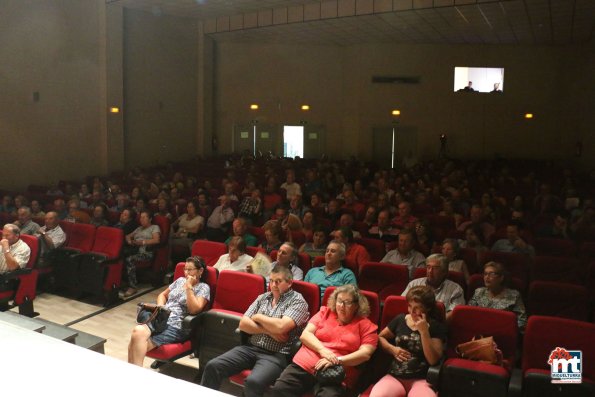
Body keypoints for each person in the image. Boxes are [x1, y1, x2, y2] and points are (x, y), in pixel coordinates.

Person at [201, 265, 309, 397]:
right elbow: (243, 324)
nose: (273, 285)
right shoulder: (263, 297)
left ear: (290, 282)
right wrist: (270, 331)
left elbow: (281, 327)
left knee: (254, 382)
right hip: (250, 348)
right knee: (213, 366)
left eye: (278, 281)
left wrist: (258, 317)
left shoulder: (298, 301)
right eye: (271, 280)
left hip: (276, 354)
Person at [270, 284, 378, 397]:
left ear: (356, 305)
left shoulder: (367, 326)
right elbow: (305, 334)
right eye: (339, 300)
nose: (341, 306)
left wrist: (337, 360)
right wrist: (322, 350)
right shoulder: (324, 312)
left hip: (335, 375)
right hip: (305, 365)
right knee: (278, 391)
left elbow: (365, 354)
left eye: (347, 302)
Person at [128, 256, 210, 366]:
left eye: (190, 269)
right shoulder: (180, 281)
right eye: (185, 269)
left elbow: (194, 310)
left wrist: (189, 287)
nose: (186, 273)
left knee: (136, 339)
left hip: (178, 326)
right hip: (162, 319)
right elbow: (163, 294)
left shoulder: (203, 288)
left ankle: (132, 375)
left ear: (200, 271)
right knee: (137, 332)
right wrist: (161, 308)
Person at [369, 286, 447, 397]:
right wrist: (392, 349)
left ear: (427, 308)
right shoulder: (400, 319)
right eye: (410, 306)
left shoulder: (435, 327)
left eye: (417, 307)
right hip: (395, 376)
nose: (412, 311)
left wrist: (424, 332)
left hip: (421, 379)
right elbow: (379, 337)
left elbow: (433, 360)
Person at [401, 254, 465, 321]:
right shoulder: (414, 284)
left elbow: (455, 313)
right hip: (412, 322)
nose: (430, 271)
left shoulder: (456, 289)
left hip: (439, 326)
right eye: (428, 267)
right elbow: (402, 304)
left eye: (435, 268)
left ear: (444, 271)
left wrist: (430, 324)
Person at [469, 262, 527, 330]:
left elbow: (521, 321)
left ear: (501, 278)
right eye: (485, 274)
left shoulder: (514, 295)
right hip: (479, 330)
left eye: (492, 274)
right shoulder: (479, 292)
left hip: (503, 333)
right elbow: (469, 313)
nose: (487, 277)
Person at [123, 210, 161, 297]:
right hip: (134, 250)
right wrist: (130, 241)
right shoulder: (139, 228)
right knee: (121, 255)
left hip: (146, 252)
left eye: (144, 217)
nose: (141, 219)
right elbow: (128, 236)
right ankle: (123, 281)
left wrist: (142, 242)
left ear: (150, 219)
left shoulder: (154, 227)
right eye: (141, 217)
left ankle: (133, 286)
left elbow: (156, 240)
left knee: (130, 259)